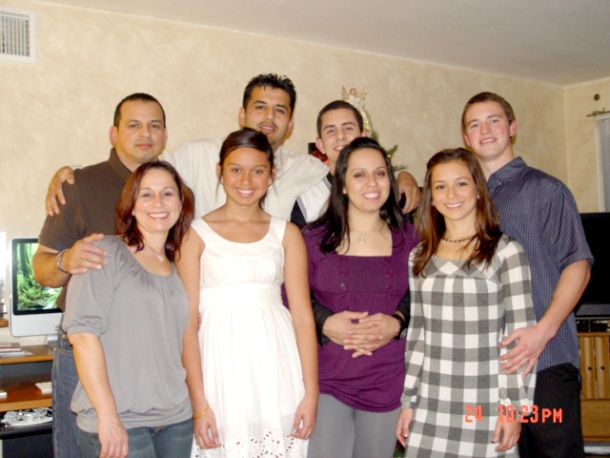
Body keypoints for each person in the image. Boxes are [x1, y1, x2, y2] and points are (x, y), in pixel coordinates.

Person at [45, 75, 422, 222]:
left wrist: (400, 173)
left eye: (280, 111)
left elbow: (354, 184)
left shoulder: (307, 168)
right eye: (260, 107)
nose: (268, 118)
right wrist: (71, 173)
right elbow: (141, 167)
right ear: (242, 113)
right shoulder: (197, 154)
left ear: (291, 126)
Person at [32, 93, 167, 458]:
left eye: (154, 125)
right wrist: (66, 260)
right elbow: (42, 270)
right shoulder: (79, 185)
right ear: (113, 133)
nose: (145, 133)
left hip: (150, 351)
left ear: (165, 134)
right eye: (134, 125)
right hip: (85, 347)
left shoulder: (170, 193)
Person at [461, 92, 593, 457]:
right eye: (475, 124)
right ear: (466, 139)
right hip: (485, 370)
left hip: (545, 363)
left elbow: (578, 266)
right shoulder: (462, 202)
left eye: (494, 120)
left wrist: (541, 333)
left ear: (512, 128)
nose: (485, 130)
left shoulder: (545, 190)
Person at [177, 129, 318, 457]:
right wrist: (199, 405)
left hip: (276, 368)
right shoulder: (194, 236)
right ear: (219, 172)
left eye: (258, 170)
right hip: (218, 370)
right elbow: (185, 325)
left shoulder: (287, 234)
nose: (246, 179)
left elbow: (303, 318)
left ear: (272, 175)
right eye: (236, 169)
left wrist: (310, 394)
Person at [395, 148, 537, 457]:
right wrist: (409, 402)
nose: (451, 194)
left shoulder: (506, 253)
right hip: (431, 405)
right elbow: (418, 337)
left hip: (484, 405)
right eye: (440, 186)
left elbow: (520, 340)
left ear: (477, 189)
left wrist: (512, 408)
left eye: (461, 183)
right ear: (430, 195)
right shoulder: (419, 257)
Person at [63, 161, 195, 457]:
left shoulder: (176, 265)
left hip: (176, 420)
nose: (158, 203)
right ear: (131, 205)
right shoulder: (106, 253)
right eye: (146, 194)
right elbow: (82, 336)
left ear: (181, 203)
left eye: (168, 193)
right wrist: (108, 417)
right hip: (121, 421)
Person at [304, 137, 418, 458]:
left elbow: (422, 294)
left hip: (387, 379)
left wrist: (397, 322)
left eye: (380, 173)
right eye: (359, 174)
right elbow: (290, 296)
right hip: (329, 379)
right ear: (341, 184)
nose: (372, 183)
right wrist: (326, 323)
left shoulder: (409, 238)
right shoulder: (312, 239)